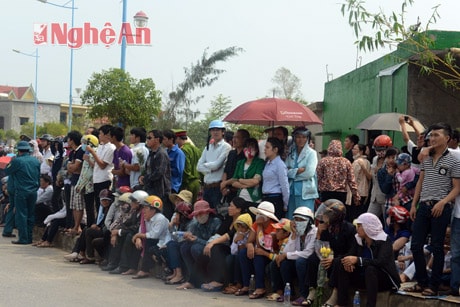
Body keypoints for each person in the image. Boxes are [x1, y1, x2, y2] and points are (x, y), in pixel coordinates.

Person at [406, 123, 460, 296]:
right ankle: (422, 282)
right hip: (424, 205)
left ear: (447, 138)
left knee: (437, 247)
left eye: (437, 135)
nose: (432, 138)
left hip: (441, 208)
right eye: (431, 135)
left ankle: (434, 285)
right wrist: (414, 204)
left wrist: (443, 202)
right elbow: (421, 181)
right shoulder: (426, 157)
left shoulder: (454, 159)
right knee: (415, 245)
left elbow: (457, 187)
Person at [336, 213, 401, 307]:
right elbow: (351, 254)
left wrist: (358, 260)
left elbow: (381, 262)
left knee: (371, 269)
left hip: (384, 280)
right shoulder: (359, 239)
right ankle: (341, 303)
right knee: (342, 264)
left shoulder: (384, 240)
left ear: (368, 227)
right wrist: (348, 261)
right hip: (364, 279)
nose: (356, 229)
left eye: (359, 226)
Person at [202, 196, 249, 292]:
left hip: (237, 248)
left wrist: (212, 243)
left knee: (222, 253)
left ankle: (220, 281)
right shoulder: (229, 219)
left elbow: (228, 235)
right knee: (211, 249)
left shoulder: (242, 221)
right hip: (230, 246)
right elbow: (220, 233)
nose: (229, 208)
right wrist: (210, 243)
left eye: (231, 206)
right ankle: (205, 280)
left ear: (239, 209)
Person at [277, 207, 318, 306]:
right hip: (298, 262)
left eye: (302, 220)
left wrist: (287, 255)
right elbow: (287, 251)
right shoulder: (296, 232)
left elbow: (308, 253)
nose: (298, 222)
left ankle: (304, 295)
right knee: (284, 262)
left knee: (300, 261)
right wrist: (294, 235)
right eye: (296, 219)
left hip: (311, 263)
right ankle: (289, 293)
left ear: (309, 222)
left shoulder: (314, 232)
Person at [176, 200, 221, 290]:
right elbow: (183, 237)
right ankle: (192, 278)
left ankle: (205, 277)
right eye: (197, 215)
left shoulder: (216, 222)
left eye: (201, 214)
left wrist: (197, 239)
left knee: (195, 248)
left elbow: (214, 242)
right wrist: (187, 236)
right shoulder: (195, 223)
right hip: (200, 245)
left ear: (208, 212)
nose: (199, 216)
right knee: (184, 247)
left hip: (213, 249)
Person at [238, 201, 279, 299]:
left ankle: (260, 287)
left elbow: (263, 245)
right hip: (259, 251)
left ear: (268, 217)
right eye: (258, 213)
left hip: (270, 253)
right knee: (243, 253)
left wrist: (260, 227)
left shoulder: (274, 227)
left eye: (261, 214)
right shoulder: (256, 224)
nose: (258, 216)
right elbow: (249, 241)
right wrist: (249, 246)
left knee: (258, 256)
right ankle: (246, 285)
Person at [5, 141, 41, 244]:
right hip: (33, 191)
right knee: (30, 214)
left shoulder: (17, 161)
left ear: (19, 150)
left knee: (21, 215)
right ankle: (29, 238)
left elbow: (7, 171)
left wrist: (11, 162)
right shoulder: (35, 161)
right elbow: (38, 175)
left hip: (21, 191)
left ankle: (23, 238)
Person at [131, 195, 171, 279]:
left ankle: (145, 270)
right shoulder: (146, 218)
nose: (143, 210)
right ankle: (132, 267)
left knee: (149, 241)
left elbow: (154, 235)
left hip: (163, 243)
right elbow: (141, 231)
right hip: (155, 241)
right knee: (136, 242)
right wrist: (138, 238)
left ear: (153, 210)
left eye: (146, 208)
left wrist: (138, 235)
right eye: (143, 208)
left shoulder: (160, 218)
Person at [197, 120, 232, 209]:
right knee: (206, 214)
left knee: (217, 214)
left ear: (223, 132)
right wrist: (211, 166)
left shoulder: (226, 147)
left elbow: (217, 165)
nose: (215, 132)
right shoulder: (207, 148)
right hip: (206, 187)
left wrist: (206, 165)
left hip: (217, 188)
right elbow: (198, 166)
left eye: (218, 130)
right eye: (213, 130)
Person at [285, 127, 318, 218]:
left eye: (304, 137)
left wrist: (292, 173)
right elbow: (285, 171)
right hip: (291, 191)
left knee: (304, 217)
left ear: (307, 138)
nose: (301, 140)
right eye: (298, 137)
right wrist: (297, 171)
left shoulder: (312, 153)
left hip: (306, 192)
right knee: (291, 218)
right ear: (294, 138)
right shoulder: (291, 153)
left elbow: (309, 173)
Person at [316, 140, 360, 206]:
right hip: (341, 193)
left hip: (326, 192)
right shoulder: (346, 162)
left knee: (326, 212)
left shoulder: (323, 161)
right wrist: (356, 196)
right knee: (339, 212)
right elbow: (351, 180)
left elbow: (317, 177)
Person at [139, 130, 172, 218]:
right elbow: (147, 170)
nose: (147, 140)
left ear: (157, 140)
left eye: (149, 138)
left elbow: (159, 172)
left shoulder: (161, 154)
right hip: (150, 188)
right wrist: (142, 177)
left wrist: (145, 179)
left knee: (160, 216)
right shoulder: (151, 154)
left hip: (160, 191)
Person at [85, 124, 115, 214]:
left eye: (101, 133)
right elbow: (97, 165)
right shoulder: (101, 147)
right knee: (98, 204)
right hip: (97, 179)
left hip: (104, 179)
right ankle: (97, 224)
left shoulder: (111, 148)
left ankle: (102, 225)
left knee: (104, 204)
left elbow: (102, 165)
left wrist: (92, 152)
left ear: (107, 135)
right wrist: (89, 160)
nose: (99, 135)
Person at [229, 138, 265, 205]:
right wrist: (246, 185)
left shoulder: (260, 162)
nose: (249, 150)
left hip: (254, 198)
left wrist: (240, 180)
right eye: (247, 147)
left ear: (256, 149)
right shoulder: (240, 163)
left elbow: (255, 181)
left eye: (252, 147)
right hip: (240, 198)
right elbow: (233, 182)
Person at [262, 137, 289, 220]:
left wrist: (285, 204)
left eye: (267, 147)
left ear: (275, 149)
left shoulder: (280, 165)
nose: (265, 150)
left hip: (275, 197)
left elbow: (284, 185)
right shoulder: (267, 163)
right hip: (265, 197)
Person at [220, 129, 250, 204]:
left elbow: (241, 176)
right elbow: (226, 171)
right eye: (233, 137)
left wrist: (226, 183)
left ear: (245, 139)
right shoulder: (231, 153)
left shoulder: (247, 156)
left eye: (237, 137)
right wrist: (224, 186)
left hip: (240, 191)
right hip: (227, 191)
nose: (234, 140)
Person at [367, 135, 393, 221]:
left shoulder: (391, 161)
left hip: (386, 197)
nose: (379, 152)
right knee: (368, 219)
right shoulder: (374, 159)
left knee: (388, 222)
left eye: (381, 149)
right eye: (377, 149)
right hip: (374, 197)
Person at [266, 218, 292, 303]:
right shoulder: (280, 240)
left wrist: (264, 253)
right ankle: (278, 291)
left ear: (286, 233)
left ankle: (283, 292)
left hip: (290, 263)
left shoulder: (286, 240)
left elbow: (278, 257)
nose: (275, 232)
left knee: (274, 265)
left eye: (278, 231)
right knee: (269, 267)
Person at [75, 134, 99, 227]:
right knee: (88, 208)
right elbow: (84, 172)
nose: (83, 145)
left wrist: (89, 160)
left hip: (91, 184)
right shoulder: (87, 153)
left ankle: (91, 225)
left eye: (85, 143)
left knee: (91, 208)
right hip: (85, 185)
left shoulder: (95, 153)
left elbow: (95, 168)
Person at [174, 129, 201, 203]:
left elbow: (186, 169)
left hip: (188, 183)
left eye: (175, 139)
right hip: (197, 182)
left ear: (178, 139)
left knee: (185, 208)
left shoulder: (184, 150)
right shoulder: (196, 149)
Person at [66, 130, 85, 236]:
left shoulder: (80, 151)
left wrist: (72, 167)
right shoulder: (72, 152)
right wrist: (72, 167)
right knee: (73, 205)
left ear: (72, 140)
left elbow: (76, 167)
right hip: (73, 180)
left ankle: (78, 226)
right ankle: (75, 226)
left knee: (79, 205)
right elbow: (69, 168)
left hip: (79, 181)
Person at [348, 144, 371, 221]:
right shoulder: (367, 161)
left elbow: (353, 178)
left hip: (356, 192)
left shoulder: (357, 162)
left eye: (355, 149)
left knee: (354, 215)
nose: (352, 151)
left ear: (361, 151)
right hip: (364, 191)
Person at [162, 129, 185, 195]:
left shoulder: (178, 153)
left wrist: (166, 169)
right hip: (164, 184)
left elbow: (179, 171)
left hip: (173, 185)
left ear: (171, 139)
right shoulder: (165, 151)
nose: (163, 141)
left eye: (164, 139)